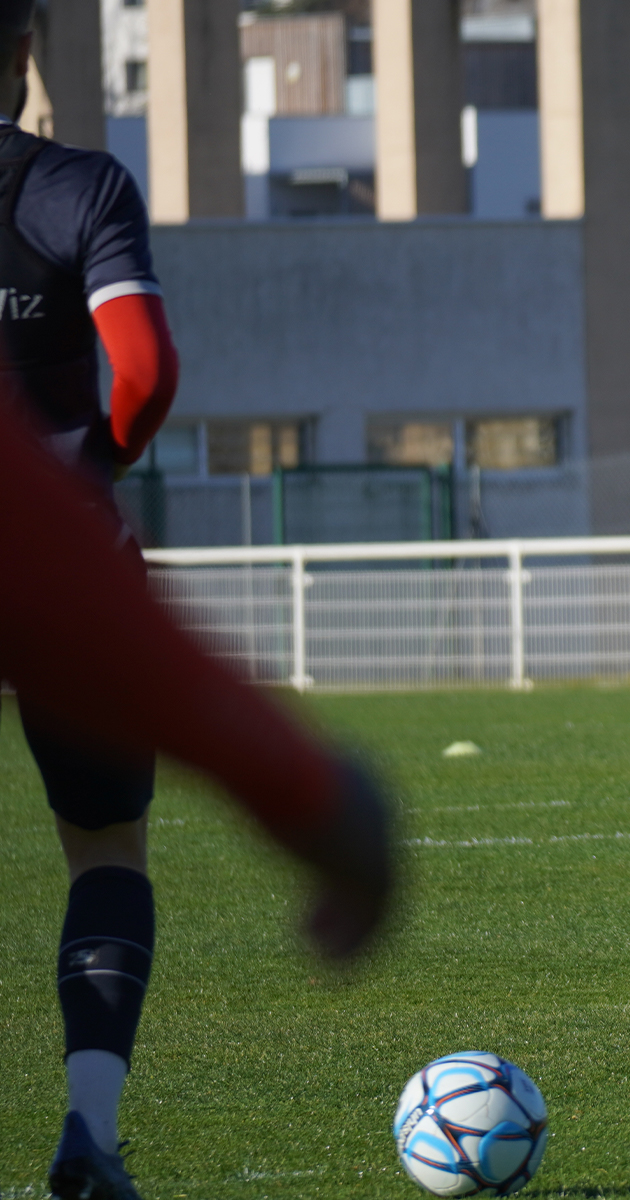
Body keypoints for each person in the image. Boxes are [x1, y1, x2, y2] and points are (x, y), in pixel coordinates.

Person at [0, 7, 392, 1198]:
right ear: (23, 43)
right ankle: (90, 1129)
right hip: (62, 572)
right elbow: (149, 370)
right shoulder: (73, 189)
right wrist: (87, 477)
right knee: (106, 848)